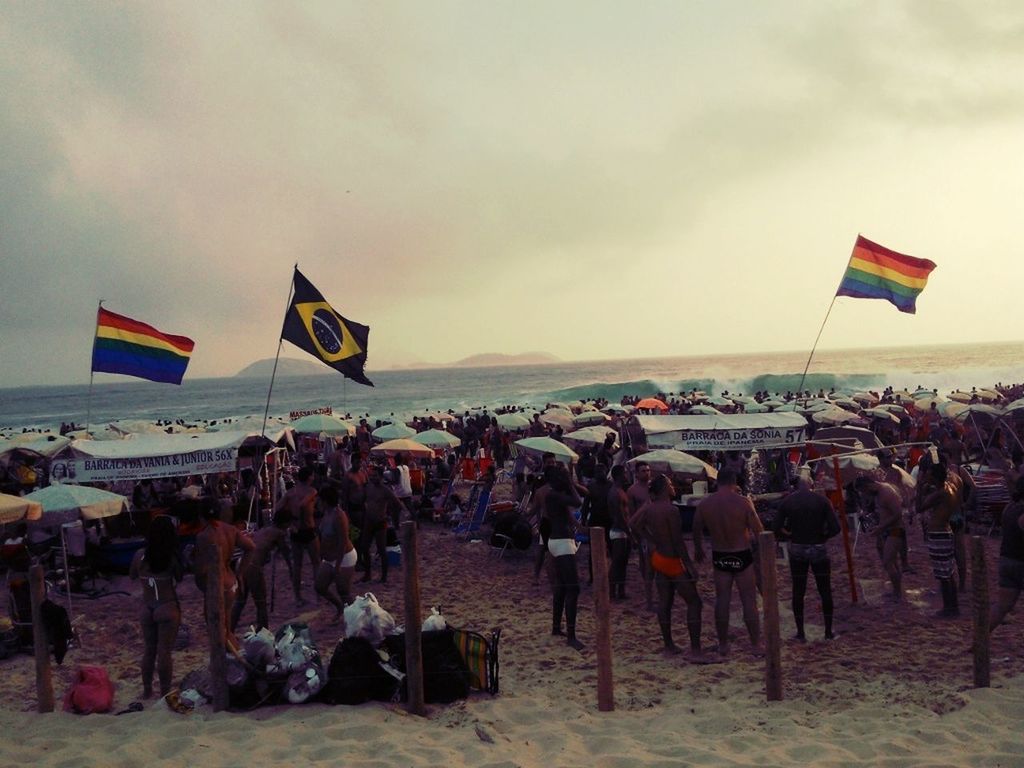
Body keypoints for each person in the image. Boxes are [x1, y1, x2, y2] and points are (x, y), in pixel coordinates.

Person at [631, 474, 708, 660]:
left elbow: (634, 525)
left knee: (665, 603)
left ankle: (669, 645)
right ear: (665, 488)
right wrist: (689, 565)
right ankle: (696, 649)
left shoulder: (649, 509)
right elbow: (678, 541)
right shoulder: (671, 510)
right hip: (673, 560)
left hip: (659, 558)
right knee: (694, 602)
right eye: (670, 484)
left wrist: (651, 540)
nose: (673, 486)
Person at [692, 467, 764, 657]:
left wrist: (699, 548)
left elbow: (696, 527)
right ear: (734, 482)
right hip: (741, 554)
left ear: (717, 482)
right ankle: (755, 644)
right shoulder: (743, 502)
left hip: (721, 554)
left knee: (722, 600)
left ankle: (723, 644)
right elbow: (759, 530)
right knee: (748, 599)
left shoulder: (705, 504)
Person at [773, 476, 840, 640]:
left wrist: (790, 535)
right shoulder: (822, 501)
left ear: (796, 486)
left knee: (798, 591)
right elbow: (835, 528)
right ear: (811, 485)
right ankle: (828, 631)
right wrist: (823, 537)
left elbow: (776, 528)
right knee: (824, 590)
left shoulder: (788, 502)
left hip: (797, 547)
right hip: (818, 547)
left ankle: (800, 633)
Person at [129, 515, 183, 698]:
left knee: (149, 650)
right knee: (164, 651)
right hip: (167, 606)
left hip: (147, 607)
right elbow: (180, 576)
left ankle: (146, 691)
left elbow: (131, 576)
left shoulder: (140, 555)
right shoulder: (171, 557)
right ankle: (165, 691)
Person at [194, 500, 255, 652]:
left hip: (217, 586)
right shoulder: (230, 529)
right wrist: (240, 573)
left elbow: (201, 568)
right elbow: (251, 547)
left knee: (220, 631)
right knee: (226, 629)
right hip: (230, 581)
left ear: (202, 517)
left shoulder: (203, 535)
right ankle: (234, 661)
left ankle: (233, 664)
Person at [546, 462, 585, 651]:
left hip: (557, 540)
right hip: (562, 543)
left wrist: (580, 527)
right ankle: (571, 636)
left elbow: (568, 516)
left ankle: (556, 627)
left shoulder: (552, 496)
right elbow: (578, 502)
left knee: (561, 587)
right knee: (573, 588)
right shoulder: (556, 495)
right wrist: (571, 483)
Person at [231, 510, 291, 632]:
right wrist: (291, 568)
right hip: (252, 566)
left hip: (241, 563)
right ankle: (263, 631)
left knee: (240, 601)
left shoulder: (265, 529)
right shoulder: (279, 533)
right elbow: (286, 552)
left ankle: (229, 629)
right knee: (261, 602)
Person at [918, 461, 962, 618]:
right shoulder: (950, 487)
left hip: (939, 534)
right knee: (948, 573)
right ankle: (952, 607)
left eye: (929, 475)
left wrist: (919, 487)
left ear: (934, 477)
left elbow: (919, 507)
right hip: (945, 531)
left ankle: (949, 609)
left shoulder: (941, 492)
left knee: (944, 575)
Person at [858, 475, 906, 602]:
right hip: (886, 530)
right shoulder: (878, 493)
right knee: (892, 562)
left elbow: (898, 514)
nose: (865, 494)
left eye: (864, 491)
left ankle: (897, 593)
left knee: (888, 561)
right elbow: (883, 512)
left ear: (868, 486)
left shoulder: (886, 492)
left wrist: (880, 528)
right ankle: (896, 591)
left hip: (895, 530)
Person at [276, 467, 320, 606]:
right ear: (309, 477)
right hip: (308, 529)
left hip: (295, 530)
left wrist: (289, 522)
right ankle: (318, 594)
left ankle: (298, 597)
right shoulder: (312, 491)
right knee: (315, 563)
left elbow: (277, 508)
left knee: (297, 566)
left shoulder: (290, 493)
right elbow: (302, 505)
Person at [315, 485, 357, 617]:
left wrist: (337, 565)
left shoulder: (339, 516)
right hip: (329, 558)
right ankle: (340, 607)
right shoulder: (326, 513)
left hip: (343, 557)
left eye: (319, 500)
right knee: (320, 586)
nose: (317, 503)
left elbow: (342, 542)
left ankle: (353, 615)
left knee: (343, 591)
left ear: (325, 501)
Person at [990, 475, 1024, 632]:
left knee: (1001, 607)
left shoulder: (1010, 507)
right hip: (1019, 562)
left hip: (1006, 560)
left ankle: (979, 639)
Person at [361, 463, 401, 583]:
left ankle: (384, 576)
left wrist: (392, 517)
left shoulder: (385, 490)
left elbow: (398, 504)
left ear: (381, 477)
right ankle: (367, 574)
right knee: (364, 548)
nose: (374, 478)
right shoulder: (368, 487)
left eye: (376, 476)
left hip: (380, 522)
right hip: (368, 521)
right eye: (372, 475)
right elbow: (363, 500)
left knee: (382, 550)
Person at [626, 462, 654, 609]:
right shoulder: (632, 491)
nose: (647, 473)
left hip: (655, 528)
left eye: (648, 470)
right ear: (636, 474)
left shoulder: (653, 488)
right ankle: (648, 593)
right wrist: (635, 535)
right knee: (645, 563)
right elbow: (631, 514)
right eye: (643, 471)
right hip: (642, 530)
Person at [606, 465, 632, 600]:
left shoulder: (620, 490)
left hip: (622, 530)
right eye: (625, 473)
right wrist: (629, 532)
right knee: (617, 563)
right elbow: (619, 516)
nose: (627, 475)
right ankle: (611, 592)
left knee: (623, 563)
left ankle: (620, 591)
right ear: (619, 476)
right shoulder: (615, 492)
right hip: (619, 530)